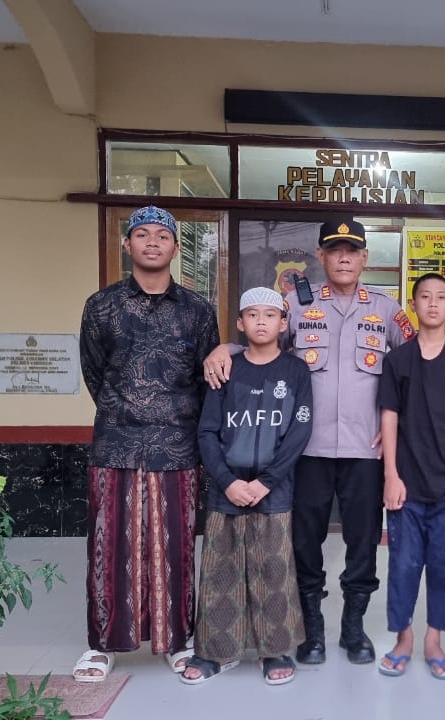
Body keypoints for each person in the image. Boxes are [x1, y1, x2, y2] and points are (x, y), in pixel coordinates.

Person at [203, 219, 413, 666]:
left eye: (352, 251)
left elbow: (415, 365)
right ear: (321, 256)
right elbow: (261, 341)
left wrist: (401, 425)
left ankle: (354, 630)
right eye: (334, 250)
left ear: (364, 258)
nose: (343, 258)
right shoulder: (298, 305)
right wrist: (226, 349)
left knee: (363, 543)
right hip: (305, 451)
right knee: (304, 543)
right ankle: (311, 631)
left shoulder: (386, 308)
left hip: (365, 451)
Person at [75, 205, 220, 683]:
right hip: (116, 444)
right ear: (127, 244)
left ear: (176, 247)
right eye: (142, 234)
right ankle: (102, 645)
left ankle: (176, 641)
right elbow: (94, 372)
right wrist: (125, 411)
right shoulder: (102, 306)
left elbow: (208, 378)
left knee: (175, 548)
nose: (152, 242)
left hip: (177, 448)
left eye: (162, 235)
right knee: (109, 545)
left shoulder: (198, 311)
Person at [184, 287, 314, 686]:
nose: (261, 322)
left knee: (273, 569)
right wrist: (226, 481)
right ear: (239, 323)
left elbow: (299, 431)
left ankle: (274, 650)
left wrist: (266, 482)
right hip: (226, 489)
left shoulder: (296, 371)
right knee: (220, 571)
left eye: (270, 315)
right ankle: (214, 651)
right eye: (252, 315)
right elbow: (207, 431)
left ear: (283, 323)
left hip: (274, 489)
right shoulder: (226, 368)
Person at [376, 272, 445, 680]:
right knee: (403, 565)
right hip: (406, 485)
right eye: (425, 296)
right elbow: (389, 417)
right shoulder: (397, 360)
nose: (434, 303)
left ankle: (434, 640)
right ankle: (403, 638)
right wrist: (391, 475)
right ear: (413, 305)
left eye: (441, 297)